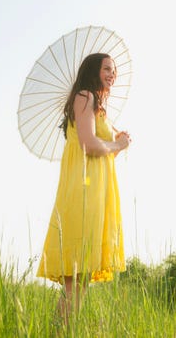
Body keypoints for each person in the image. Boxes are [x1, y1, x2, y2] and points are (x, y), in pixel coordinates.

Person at [36, 53, 131, 322]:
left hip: (98, 190)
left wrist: (117, 144)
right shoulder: (85, 97)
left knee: (82, 276)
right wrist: (117, 144)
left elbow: (103, 153)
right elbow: (88, 145)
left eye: (114, 70)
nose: (113, 74)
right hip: (83, 191)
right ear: (93, 70)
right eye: (107, 69)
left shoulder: (97, 106)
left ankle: (66, 330)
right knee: (76, 275)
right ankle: (59, 331)